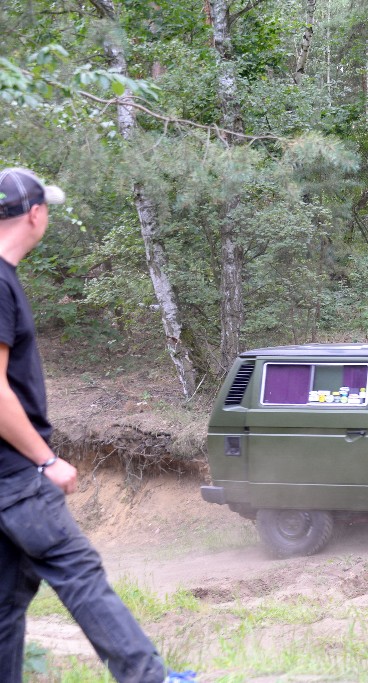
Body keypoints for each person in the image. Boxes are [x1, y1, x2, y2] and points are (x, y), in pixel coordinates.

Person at [0, 168, 193, 682]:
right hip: (17, 476)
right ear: (35, 214)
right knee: (78, 571)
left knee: (5, 607)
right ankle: (146, 677)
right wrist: (46, 459)